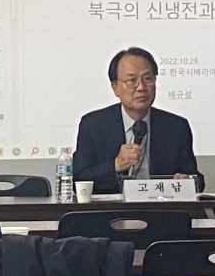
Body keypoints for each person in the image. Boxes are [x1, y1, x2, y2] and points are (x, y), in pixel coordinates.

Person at [74, 47, 199, 194]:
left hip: (160, 205)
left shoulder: (176, 127)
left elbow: (196, 179)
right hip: (112, 207)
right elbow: (79, 179)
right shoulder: (93, 125)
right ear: (115, 87)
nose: (141, 88)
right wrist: (115, 165)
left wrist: (187, 181)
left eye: (148, 79)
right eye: (132, 80)